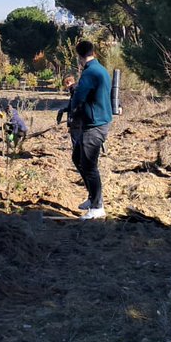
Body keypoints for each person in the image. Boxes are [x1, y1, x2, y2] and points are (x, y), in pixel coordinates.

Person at [68, 41, 113, 219]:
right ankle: (93, 196)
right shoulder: (99, 69)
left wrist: (72, 110)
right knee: (76, 157)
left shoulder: (90, 72)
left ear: (79, 56)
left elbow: (79, 97)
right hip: (97, 121)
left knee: (89, 165)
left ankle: (97, 207)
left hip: (95, 124)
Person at [56, 74, 81, 172]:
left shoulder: (75, 90)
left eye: (65, 85)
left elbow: (75, 107)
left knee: (76, 142)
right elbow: (71, 106)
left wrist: (71, 119)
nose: (65, 87)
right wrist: (63, 110)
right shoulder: (76, 90)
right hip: (78, 120)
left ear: (68, 82)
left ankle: (80, 165)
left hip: (76, 121)